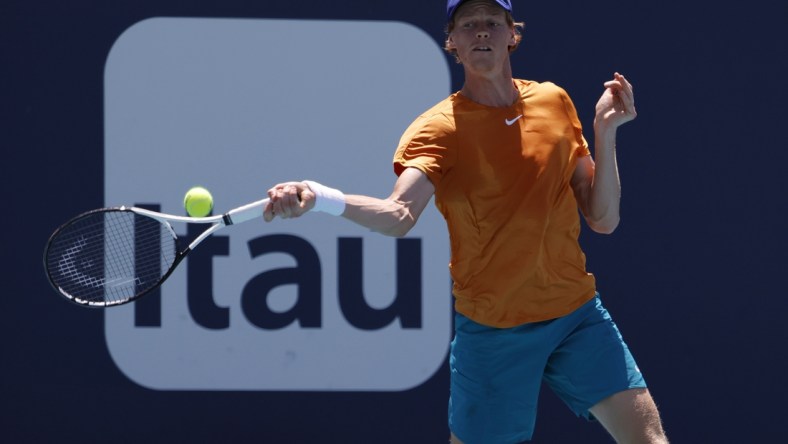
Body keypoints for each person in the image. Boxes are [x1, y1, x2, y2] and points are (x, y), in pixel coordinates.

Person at [263, 0, 668, 442]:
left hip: (575, 315)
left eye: (493, 23)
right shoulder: (440, 130)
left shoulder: (554, 101)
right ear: (451, 41)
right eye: (468, 24)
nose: (481, 32)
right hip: (494, 334)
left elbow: (603, 218)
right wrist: (321, 197)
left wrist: (604, 132)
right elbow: (399, 214)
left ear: (513, 34)